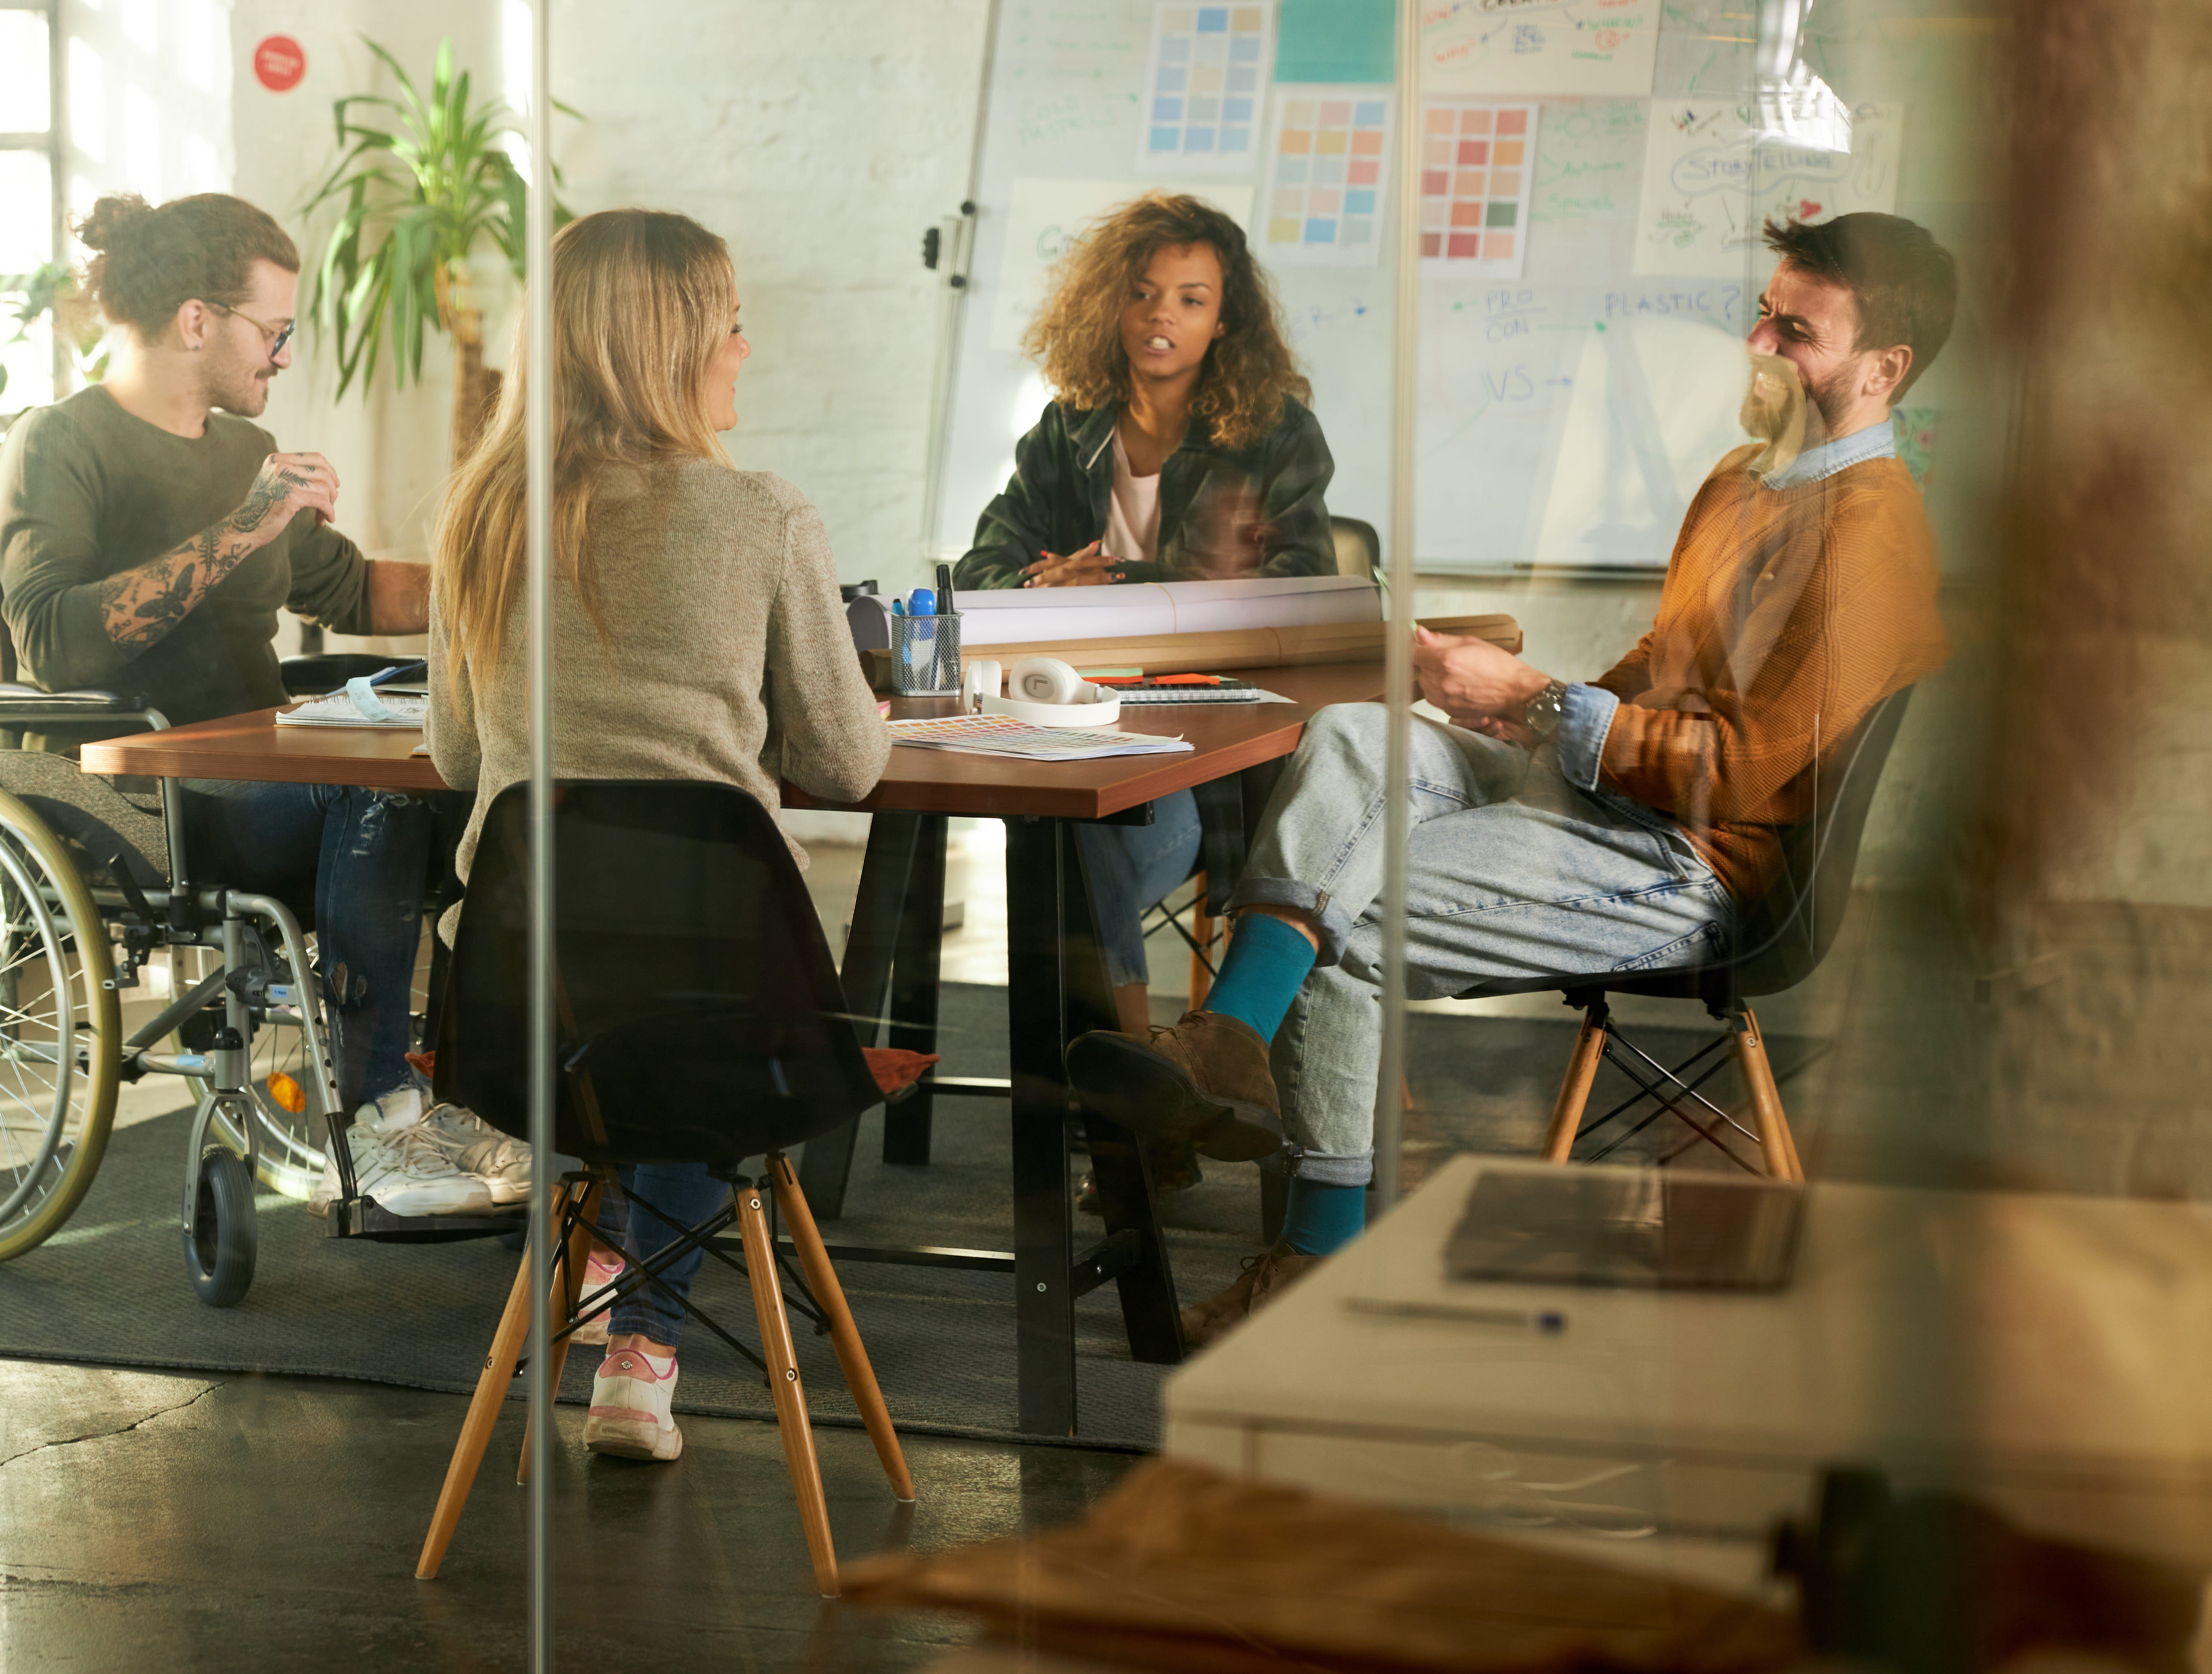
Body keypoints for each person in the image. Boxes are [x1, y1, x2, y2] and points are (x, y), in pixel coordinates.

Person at [1065, 212, 1958, 1347]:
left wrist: (1532, 702)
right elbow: (1653, 678)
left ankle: (1310, 1253)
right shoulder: (1745, 481)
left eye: (1800, 333)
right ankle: (1227, 1046)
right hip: (1621, 806)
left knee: (1351, 912)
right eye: (1765, 314)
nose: (1761, 344)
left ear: (1886, 369)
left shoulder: (1873, 537)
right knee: (1351, 734)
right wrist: (1503, 702)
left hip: (1698, 867)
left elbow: (1736, 772)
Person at [425, 208, 891, 1464]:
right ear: (673, 346)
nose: (748, 349)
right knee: (703, 967)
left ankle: (611, 1273)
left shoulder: (482, 514)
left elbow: (459, 759)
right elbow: (847, 762)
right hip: (723, 992)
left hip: (524, 991)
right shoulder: (763, 519)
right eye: (732, 325)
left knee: (645, 967)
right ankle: (643, 1350)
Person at [0, 192, 519, 1214]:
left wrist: (497, 576)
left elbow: (354, 590)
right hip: (141, 798)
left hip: (265, 772)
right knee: (386, 797)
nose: (282, 355)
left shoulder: (240, 453)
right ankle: (372, 1125)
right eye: (272, 332)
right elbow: (52, 639)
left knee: (467, 765)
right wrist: (243, 528)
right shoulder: (59, 444)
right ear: (198, 321)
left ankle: (445, 1099)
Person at [956, 195, 1341, 1207]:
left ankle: (1131, 1119)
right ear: (1108, 306)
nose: (1160, 315)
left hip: (1206, 752)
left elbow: (1302, 584)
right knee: (1071, 812)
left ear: (1227, 320)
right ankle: (1147, 1096)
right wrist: (1041, 582)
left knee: (1074, 850)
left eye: (1191, 297)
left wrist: (1116, 587)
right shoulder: (1067, 429)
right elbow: (985, 557)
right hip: (1082, 725)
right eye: (1140, 293)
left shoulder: (1277, 434)